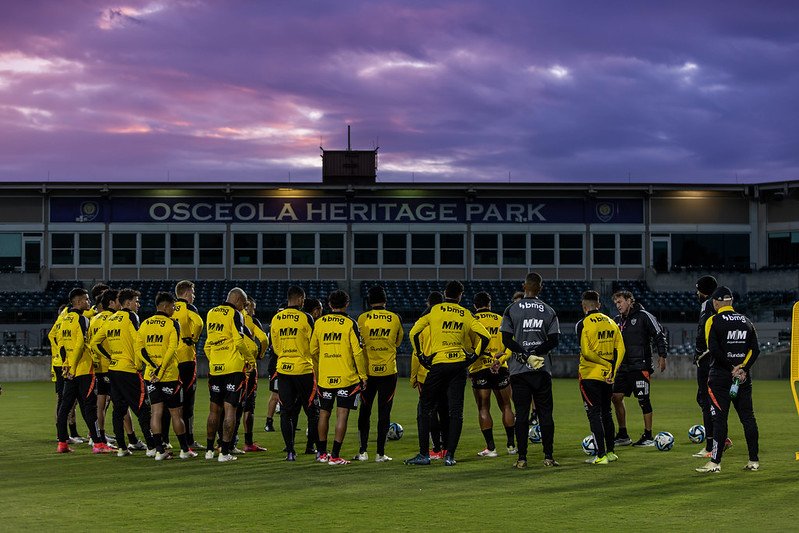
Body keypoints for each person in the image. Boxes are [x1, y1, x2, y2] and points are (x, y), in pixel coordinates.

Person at [405, 281, 489, 467]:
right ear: (460, 295)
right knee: (455, 411)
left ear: (445, 293)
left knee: (424, 408)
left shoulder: (434, 310)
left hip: (439, 363)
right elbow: (485, 336)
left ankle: (424, 454)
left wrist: (421, 355)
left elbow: (413, 333)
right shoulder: (466, 313)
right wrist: (473, 356)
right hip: (458, 365)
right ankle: (450, 455)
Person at [696, 286, 760, 473]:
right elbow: (755, 350)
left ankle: (715, 463)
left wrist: (731, 368)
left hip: (720, 378)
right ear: (730, 302)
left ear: (716, 302)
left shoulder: (712, 320)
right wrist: (743, 369)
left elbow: (714, 350)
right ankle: (753, 461)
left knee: (719, 421)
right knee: (748, 418)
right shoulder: (746, 321)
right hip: (742, 378)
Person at [500, 272, 561, 469]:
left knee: (522, 413)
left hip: (519, 370)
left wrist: (525, 354)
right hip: (541, 368)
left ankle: (522, 458)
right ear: (540, 288)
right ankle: (548, 457)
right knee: (545, 413)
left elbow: (506, 340)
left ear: (524, 286)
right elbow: (554, 340)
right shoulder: (549, 310)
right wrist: (536, 352)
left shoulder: (511, 309)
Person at [92, 287, 157, 457]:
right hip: (129, 370)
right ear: (128, 303)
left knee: (118, 410)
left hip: (113, 369)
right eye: (136, 301)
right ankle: (151, 447)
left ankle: (121, 448)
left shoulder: (111, 319)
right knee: (143, 408)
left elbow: (94, 343)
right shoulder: (131, 316)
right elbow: (138, 342)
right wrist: (138, 364)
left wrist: (110, 356)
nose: (138, 305)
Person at [138, 292, 196, 460]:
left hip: (151, 375)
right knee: (176, 413)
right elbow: (171, 350)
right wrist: (161, 370)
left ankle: (159, 451)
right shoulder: (172, 324)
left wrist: (153, 368)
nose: (173, 309)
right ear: (164, 306)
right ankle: (185, 450)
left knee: (156, 412)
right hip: (169, 376)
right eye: (172, 306)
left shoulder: (145, 324)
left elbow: (139, 350)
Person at [311, 290, 366, 465]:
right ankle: (334, 455)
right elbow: (357, 352)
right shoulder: (350, 323)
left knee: (323, 414)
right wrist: (363, 375)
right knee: (342, 415)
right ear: (347, 304)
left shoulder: (319, 323)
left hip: (325, 378)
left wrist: (321, 369)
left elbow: (313, 350)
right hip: (346, 377)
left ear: (329, 305)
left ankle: (321, 454)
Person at [55, 288, 111, 454]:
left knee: (64, 407)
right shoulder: (81, 320)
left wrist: (66, 365)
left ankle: (62, 443)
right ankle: (98, 444)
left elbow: (62, 345)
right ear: (78, 302)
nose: (89, 302)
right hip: (84, 370)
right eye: (86, 300)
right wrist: (72, 366)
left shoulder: (64, 319)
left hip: (70, 372)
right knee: (89, 407)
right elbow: (80, 345)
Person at [204, 287, 255, 462]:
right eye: (244, 304)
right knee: (230, 410)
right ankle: (225, 452)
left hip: (215, 368)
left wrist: (214, 360)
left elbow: (207, 345)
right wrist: (250, 359)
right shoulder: (235, 314)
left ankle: (210, 450)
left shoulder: (211, 313)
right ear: (239, 301)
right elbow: (239, 341)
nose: (244, 307)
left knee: (213, 410)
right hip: (233, 367)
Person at [611, 290, 668, 447]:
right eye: (616, 303)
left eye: (620, 302)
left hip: (640, 365)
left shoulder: (644, 316)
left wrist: (662, 355)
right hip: (622, 367)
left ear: (630, 301)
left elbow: (659, 334)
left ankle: (648, 436)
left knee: (643, 400)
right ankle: (623, 434)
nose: (618, 305)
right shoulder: (616, 320)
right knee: (616, 397)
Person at [355, 286, 404, 463]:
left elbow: (359, 343)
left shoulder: (362, 318)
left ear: (368, 301)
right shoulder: (395, 318)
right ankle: (380, 454)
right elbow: (398, 342)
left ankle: (362, 452)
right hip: (388, 371)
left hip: (368, 372)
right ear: (385, 300)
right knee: (384, 411)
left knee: (365, 410)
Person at [270, 286, 319, 461]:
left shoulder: (276, 319)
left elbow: (274, 346)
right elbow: (313, 344)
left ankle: (290, 451)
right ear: (300, 299)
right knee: (312, 411)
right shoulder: (305, 317)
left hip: (284, 369)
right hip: (304, 369)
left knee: (286, 412)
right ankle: (311, 447)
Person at [577, 290, 625, 465]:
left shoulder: (583, 324)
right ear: (599, 305)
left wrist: (603, 363)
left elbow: (587, 352)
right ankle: (611, 452)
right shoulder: (612, 322)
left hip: (589, 375)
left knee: (594, 414)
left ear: (584, 306)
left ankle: (600, 455)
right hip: (608, 377)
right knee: (607, 412)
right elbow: (621, 349)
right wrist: (613, 369)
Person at [469, 291, 516, 457]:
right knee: (506, 406)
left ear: (475, 305)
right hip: (500, 366)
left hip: (480, 367)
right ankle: (511, 446)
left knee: (483, 407)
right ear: (490, 304)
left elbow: (468, 346)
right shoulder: (501, 319)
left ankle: (491, 448)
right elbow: (511, 343)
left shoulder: (472, 321)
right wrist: (503, 358)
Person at [692, 275, 732, 458]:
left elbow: (703, 333)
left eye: (698, 289)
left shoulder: (708, 305)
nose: (697, 293)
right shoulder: (714, 305)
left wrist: (699, 353)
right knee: (710, 400)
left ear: (704, 291)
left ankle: (710, 446)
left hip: (708, 359)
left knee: (707, 401)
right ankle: (722, 438)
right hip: (714, 358)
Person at [409, 291, 448, 460]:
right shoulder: (446, 320)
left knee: (428, 412)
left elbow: (416, 353)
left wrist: (413, 376)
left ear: (427, 303)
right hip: (446, 370)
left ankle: (436, 448)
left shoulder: (423, 323)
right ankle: (447, 447)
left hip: (426, 374)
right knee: (445, 410)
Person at [172, 280, 204, 450]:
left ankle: (164, 439)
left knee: (170, 401)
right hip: (186, 358)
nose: (194, 296)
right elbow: (199, 323)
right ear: (185, 293)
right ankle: (189, 440)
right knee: (188, 401)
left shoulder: (169, 308)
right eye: (192, 292)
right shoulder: (189, 308)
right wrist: (194, 337)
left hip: (171, 360)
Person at [88, 288, 118, 447]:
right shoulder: (113, 319)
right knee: (120, 402)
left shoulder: (94, 319)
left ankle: (98, 435)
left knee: (100, 403)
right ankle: (131, 439)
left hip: (97, 367)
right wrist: (110, 356)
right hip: (111, 366)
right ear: (112, 302)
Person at [239, 297, 268, 452]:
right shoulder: (251, 321)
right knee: (248, 406)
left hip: (231, 366)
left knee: (228, 405)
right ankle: (248, 442)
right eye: (252, 308)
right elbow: (264, 339)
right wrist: (261, 354)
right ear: (247, 306)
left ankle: (223, 442)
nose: (253, 311)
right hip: (249, 367)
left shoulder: (230, 319)